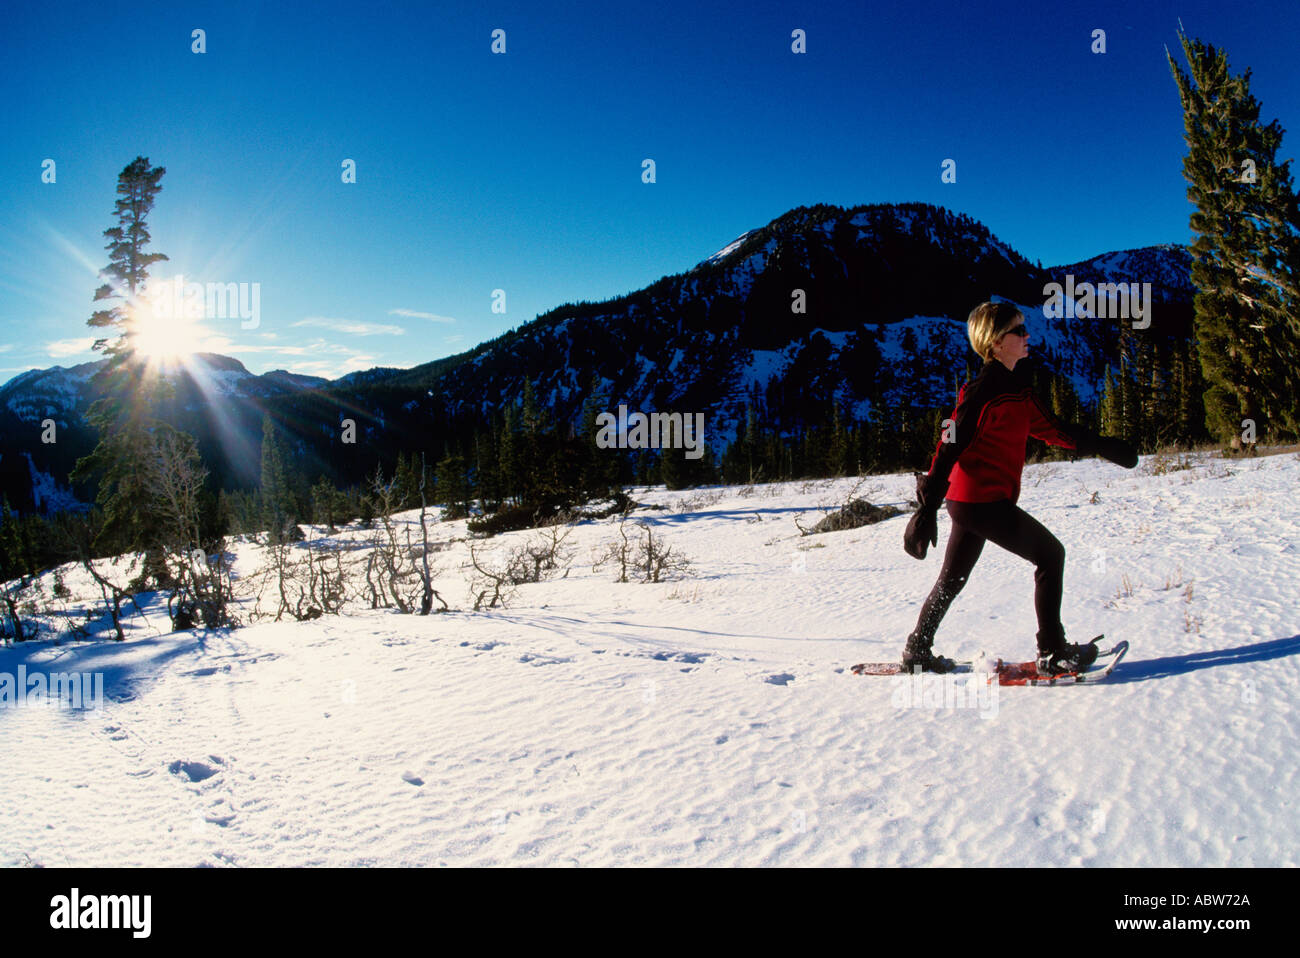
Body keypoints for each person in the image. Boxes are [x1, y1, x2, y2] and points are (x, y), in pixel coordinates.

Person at [900, 301, 1138, 674]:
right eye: (1018, 331)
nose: (1028, 337)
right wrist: (926, 507)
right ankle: (1053, 652)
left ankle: (917, 650)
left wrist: (1105, 445)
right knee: (1050, 556)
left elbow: (1055, 430)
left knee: (952, 579)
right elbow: (950, 443)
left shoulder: (1018, 391)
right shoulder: (982, 391)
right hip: (980, 502)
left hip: (972, 501)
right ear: (995, 343)